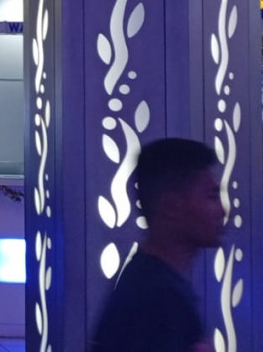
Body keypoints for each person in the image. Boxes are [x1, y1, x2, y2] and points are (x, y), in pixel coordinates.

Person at [89, 138, 223, 352]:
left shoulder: (147, 280)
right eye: (211, 196)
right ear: (171, 207)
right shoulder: (158, 300)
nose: (222, 211)